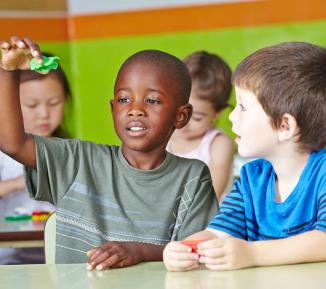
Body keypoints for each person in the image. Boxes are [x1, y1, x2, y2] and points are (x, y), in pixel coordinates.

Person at [0, 36, 218, 269]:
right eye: (124, 99)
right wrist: (7, 72)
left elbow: (199, 251)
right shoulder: (77, 160)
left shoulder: (192, 178)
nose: (135, 110)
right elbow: (14, 144)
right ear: (113, 109)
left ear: (181, 116)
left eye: (152, 100)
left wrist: (140, 251)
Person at [163, 41, 326, 271]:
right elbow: (218, 233)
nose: (232, 118)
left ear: (284, 125)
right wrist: (186, 248)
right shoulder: (252, 178)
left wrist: (253, 253)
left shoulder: (323, 172)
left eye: (243, 107)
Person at [0, 53, 70, 264]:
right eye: (31, 105)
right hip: (9, 256)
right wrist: (18, 183)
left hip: (57, 254)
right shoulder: (4, 156)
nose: (44, 114)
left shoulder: (69, 150)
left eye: (54, 103)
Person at [167, 51, 234, 202]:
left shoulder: (218, 144)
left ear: (217, 113)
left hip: (207, 220)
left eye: (196, 117)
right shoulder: (163, 139)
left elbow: (211, 195)